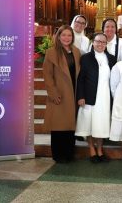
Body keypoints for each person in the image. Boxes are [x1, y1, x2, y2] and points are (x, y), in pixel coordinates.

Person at [75, 33, 117, 163]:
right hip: (89, 96)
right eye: (98, 41)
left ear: (106, 44)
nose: (100, 44)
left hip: (105, 97)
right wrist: (80, 96)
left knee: (101, 124)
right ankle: (92, 149)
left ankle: (100, 149)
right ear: (93, 43)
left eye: (103, 42)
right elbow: (80, 79)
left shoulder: (111, 58)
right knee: (88, 123)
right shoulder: (86, 58)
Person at [43, 25, 81, 163]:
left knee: (70, 126)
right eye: (63, 35)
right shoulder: (51, 52)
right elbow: (47, 75)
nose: (66, 38)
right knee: (58, 127)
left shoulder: (76, 52)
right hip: (59, 93)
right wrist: (52, 93)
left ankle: (69, 153)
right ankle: (58, 155)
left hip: (73, 93)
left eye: (69, 35)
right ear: (58, 36)